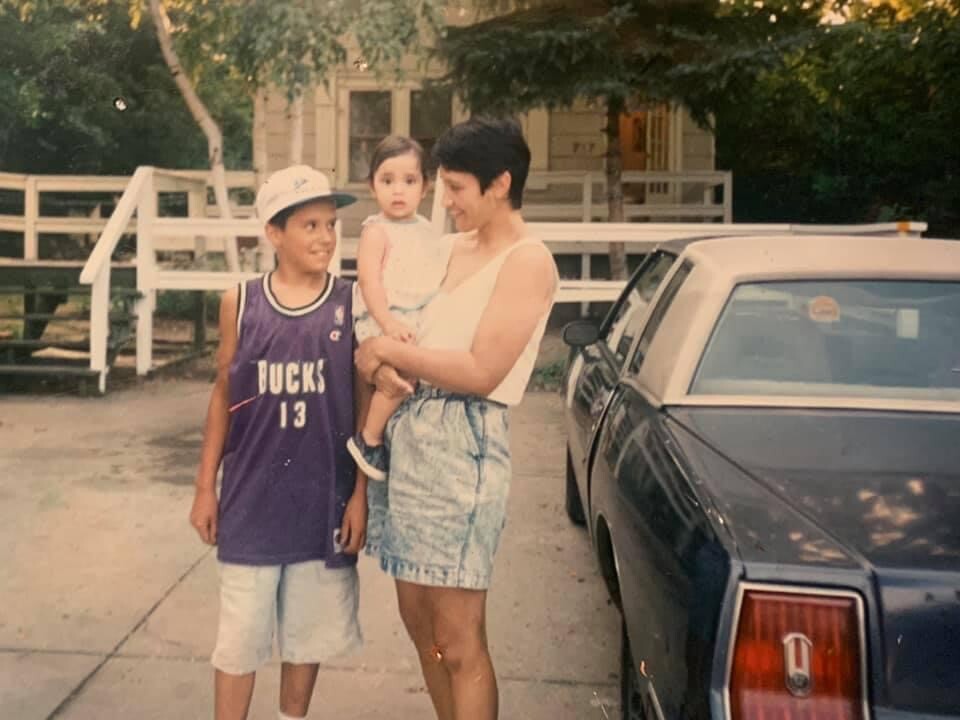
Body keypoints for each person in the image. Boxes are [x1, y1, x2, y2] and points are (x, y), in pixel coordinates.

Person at [356, 117, 559, 720]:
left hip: (462, 447)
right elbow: (386, 328)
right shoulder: (446, 247)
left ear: (500, 184)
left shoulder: (528, 262)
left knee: (460, 638)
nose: (443, 200)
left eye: (456, 188)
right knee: (422, 629)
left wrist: (390, 353)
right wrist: (374, 363)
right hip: (406, 436)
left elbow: (480, 371)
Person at [188, 165, 368, 720]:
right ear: (274, 232)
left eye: (331, 224)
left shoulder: (350, 303)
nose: (325, 237)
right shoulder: (240, 303)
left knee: (306, 640)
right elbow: (224, 393)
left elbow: (363, 408)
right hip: (250, 502)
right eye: (309, 224)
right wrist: (204, 486)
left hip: (322, 504)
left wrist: (361, 491)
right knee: (240, 641)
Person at [346, 135, 451, 481]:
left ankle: (395, 434)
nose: (398, 191)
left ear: (425, 187)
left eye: (409, 181)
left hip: (414, 314)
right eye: (387, 181)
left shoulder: (427, 230)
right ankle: (369, 439)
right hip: (382, 317)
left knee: (423, 367)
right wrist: (387, 322)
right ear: (372, 186)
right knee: (400, 373)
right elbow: (369, 282)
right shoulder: (376, 231)